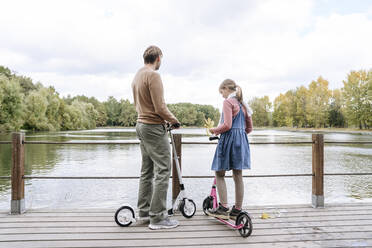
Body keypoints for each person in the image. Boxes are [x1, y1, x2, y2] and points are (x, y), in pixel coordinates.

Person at [132, 45, 180, 230]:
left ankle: (143, 213)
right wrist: (174, 120)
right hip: (152, 126)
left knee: (147, 170)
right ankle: (158, 218)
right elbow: (160, 107)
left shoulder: (137, 75)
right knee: (163, 169)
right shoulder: (153, 76)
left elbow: (139, 104)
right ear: (158, 58)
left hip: (141, 125)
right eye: (162, 59)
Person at [208, 79, 253, 220]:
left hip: (228, 140)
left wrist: (214, 130)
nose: (222, 95)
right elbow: (249, 129)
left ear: (226, 88)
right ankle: (237, 210)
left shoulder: (228, 103)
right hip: (242, 141)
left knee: (219, 173)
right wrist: (239, 133)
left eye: (222, 92)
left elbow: (227, 125)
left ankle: (223, 208)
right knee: (238, 175)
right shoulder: (243, 105)